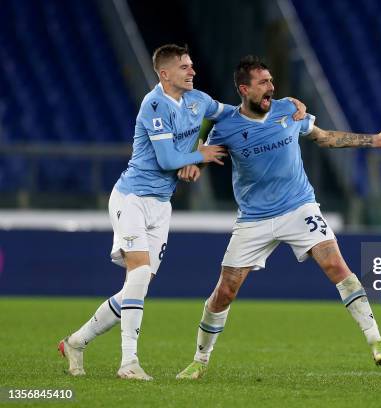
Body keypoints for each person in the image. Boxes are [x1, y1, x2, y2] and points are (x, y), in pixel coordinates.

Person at [57, 45, 306, 380]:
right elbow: (166, 160)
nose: (192, 71)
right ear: (165, 74)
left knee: (137, 285)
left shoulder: (199, 100)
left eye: (191, 66)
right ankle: (128, 363)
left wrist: (285, 105)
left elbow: (238, 111)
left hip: (162, 204)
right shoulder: (154, 104)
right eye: (185, 67)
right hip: (132, 196)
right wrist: (196, 155)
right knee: (139, 276)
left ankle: (76, 342)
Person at [176, 56, 381, 380]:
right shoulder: (226, 127)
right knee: (225, 291)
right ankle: (200, 359)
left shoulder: (288, 110)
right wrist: (193, 165)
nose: (271, 87)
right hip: (255, 218)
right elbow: (206, 158)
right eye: (263, 83)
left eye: (271, 81)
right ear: (244, 89)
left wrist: (372, 140)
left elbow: (323, 137)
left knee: (337, 266)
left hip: (299, 207)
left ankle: (376, 340)